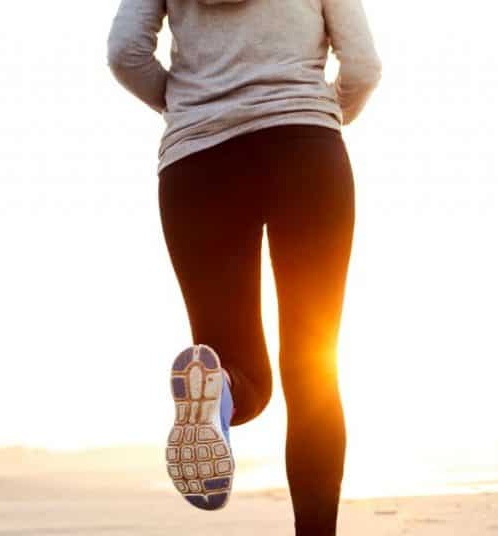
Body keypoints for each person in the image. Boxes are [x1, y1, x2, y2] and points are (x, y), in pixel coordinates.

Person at [106, 0, 381, 534]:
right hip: (305, 152)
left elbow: (124, 53)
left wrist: (188, 104)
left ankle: (220, 386)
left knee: (238, 368)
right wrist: (323, 111)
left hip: (197, 163)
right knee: (312, 369)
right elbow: (363, 66)